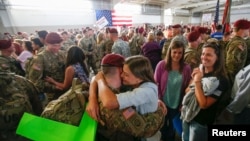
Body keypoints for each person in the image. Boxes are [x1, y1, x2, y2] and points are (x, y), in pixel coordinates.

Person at [88, 54, 166, 141]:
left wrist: (154, 100)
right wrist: (159, 112)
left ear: (139, 78)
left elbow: (99, 76)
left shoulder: (136, 88)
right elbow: (108, 101)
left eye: (126, 74)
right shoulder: (109, 94)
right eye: (123, 73)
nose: (122, 76)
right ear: (119, 70)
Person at [182, 41, 229, 141]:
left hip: (201, 122)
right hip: (188, 115)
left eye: (209, 55)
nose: (204, 57)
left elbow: (203, 104)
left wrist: (198, 81)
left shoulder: (221, 80)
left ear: (217, 58)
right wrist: (195, 80)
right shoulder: (199, 70)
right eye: (203, 54)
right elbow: (187, 91)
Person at [154, 40, 192, 141]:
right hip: (162, 102)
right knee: (162, 126)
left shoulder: (186, 68)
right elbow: (155, 84)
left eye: (180, 52)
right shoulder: (161, 65)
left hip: (177, 103)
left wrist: (183, 103)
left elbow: (187, 87)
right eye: (174, 52)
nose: (177, 55)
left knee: (172, 127)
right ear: (170, 51)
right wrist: (159, 100)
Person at [27, 32, 66, 102]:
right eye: (54, 45)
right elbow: (35, 81)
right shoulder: (40, 58)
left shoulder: (62, 54)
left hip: (64, 90)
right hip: (51, 95)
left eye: (59, 45)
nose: (57, 47)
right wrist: (54, 87)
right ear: (46, 43)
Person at [225, 19, 250, 85]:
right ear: (243, 29)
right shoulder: (238, 43)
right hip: (234, 79)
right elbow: (231, 65)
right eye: (248, 29)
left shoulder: (237, 41)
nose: (248, 31)